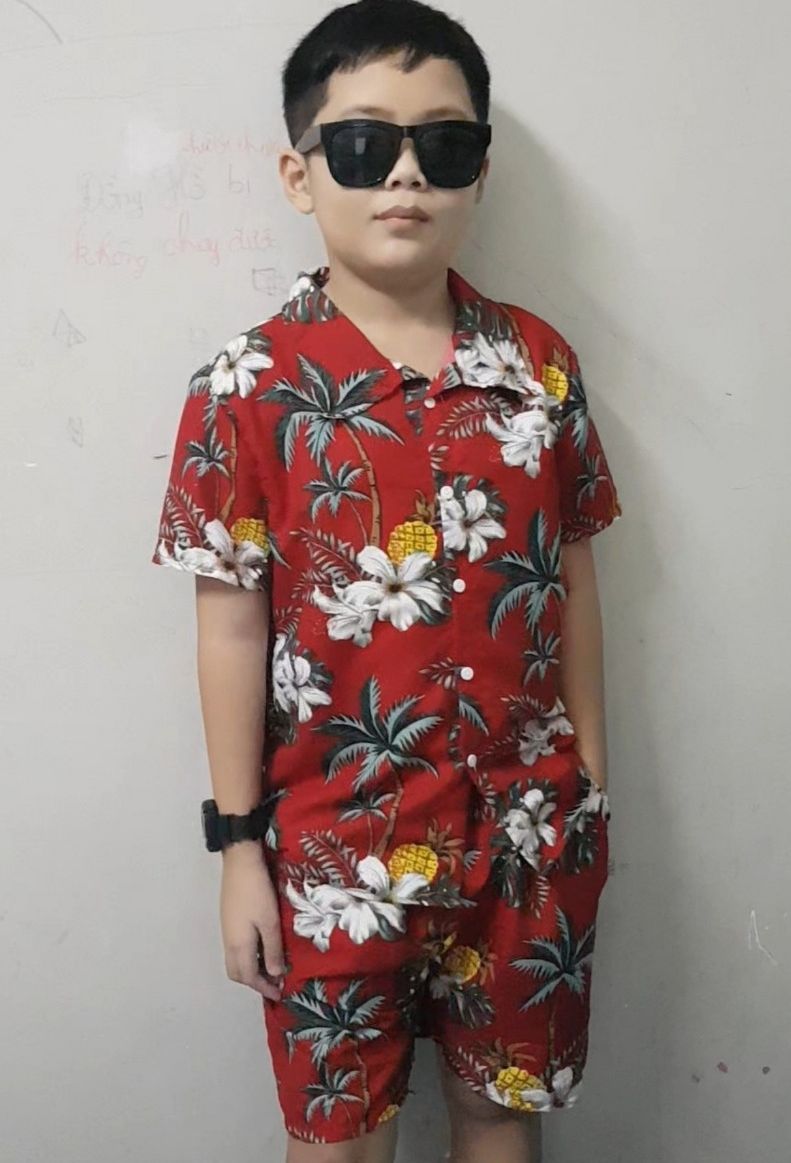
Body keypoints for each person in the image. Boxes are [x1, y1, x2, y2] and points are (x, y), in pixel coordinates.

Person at [151, 2, 623, 1160]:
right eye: (363, 145)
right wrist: (238, 848)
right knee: (340, 1133)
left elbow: (571, 577)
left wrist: (590, 784)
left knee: (497, 1112)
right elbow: (229, 630)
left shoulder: (539, 367)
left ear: (478, 172)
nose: (405, 173)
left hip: (526, 836)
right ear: (299, 174)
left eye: (442, 144)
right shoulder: (243, 387)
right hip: (327, 847)